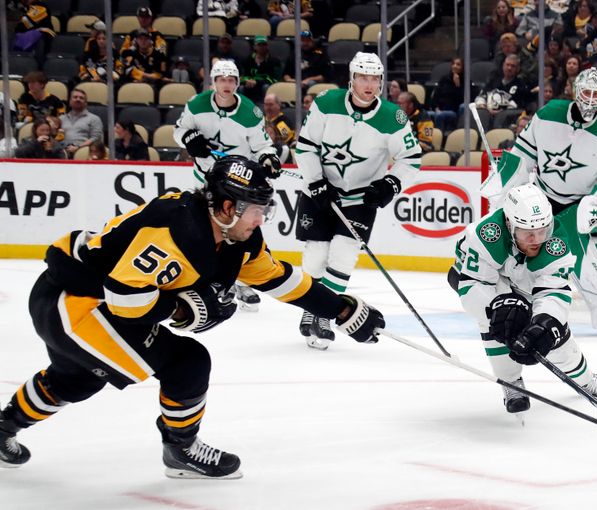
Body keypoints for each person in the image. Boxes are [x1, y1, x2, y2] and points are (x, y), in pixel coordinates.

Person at [0, 156, 385, 477]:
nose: (261, 219)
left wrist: (342, 308)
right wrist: (183, 309)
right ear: (227, 207)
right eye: (256, 210)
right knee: (187, 362)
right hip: (76, 304)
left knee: (77, 379)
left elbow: (277, 278)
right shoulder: (178, 230)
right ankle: (180, 449)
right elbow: (125, 301)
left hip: (73, 300)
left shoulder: (235, 237)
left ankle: (3, 427)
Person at [448, 183, 597, 414]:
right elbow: (472, 286)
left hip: (523, 278)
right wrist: (496, 308)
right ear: (509, 225)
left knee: (554, 334)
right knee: (498, 324)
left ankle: (587, 381)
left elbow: (553, 290)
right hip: (487, 281)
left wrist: (546, 322)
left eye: (542, 230)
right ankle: (511, 383)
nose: (536, 239)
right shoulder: (488, 234)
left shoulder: (555, 238)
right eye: (527, 233)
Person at [490, 67, 597, 335]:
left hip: (580, 205)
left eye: (596, 93)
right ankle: (515, 302)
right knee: (522, 249)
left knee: (581, 256)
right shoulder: (548, 114)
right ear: (575, 91)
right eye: (586, 92)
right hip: (542, 197)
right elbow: (523, 155)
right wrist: (503, 188)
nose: (591, 99)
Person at [294, 52, 422, 350]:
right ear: (351, 79)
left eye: (375, 78)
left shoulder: (393, 117)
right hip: (320, 191)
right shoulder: (326, 103)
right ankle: (308, 309)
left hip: (360, 198)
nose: (369, 84)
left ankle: (323, 315)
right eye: (363, 78)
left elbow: (411, 159)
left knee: (343, 254)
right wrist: (316, 182)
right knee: (316, 254)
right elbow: (306, 146)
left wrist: (391, 183)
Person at [174, 59, 282, 311]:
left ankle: (242, 281)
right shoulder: (196, 104)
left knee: (239, 232)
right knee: (206, 231)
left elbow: (262, 145)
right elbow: (178, 131)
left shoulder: (249, 112)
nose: (226, 85)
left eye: (231, 80)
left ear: (237, 83)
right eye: (222, 80)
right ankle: (211, 281)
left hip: (237, 183)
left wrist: (268, 157)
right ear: (213, 82)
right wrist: (189, 138)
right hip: (205, 179)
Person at [60, 89, 104, 159]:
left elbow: (96, 138)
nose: (78, 99)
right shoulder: (61, 118)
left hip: (84, 151)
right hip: (63, 151)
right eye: (75, 97)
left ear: (86, 103)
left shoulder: (94, 118)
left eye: (81, 98)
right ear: (70, 102)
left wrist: (78, 147)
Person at [240, 36, 284, 102]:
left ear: (267, 46)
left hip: (263, 87)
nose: (262, 47)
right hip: (249, 86)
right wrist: (246, 81)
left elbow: (275, 80)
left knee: (266, 87)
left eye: (264, 44)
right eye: (259, 45)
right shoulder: (247, 60)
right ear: (254, 46)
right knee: (240, 88)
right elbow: (241, 77)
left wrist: (257, 82)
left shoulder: (274, 62)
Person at [429, 57, 465, 133]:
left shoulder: (465, 81)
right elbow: (435, 96)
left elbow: (462, 101)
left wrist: (457, 86)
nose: (455, 66)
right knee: (426, 115)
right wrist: (436, 108)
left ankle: (438, 139)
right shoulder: (444, 79)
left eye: (458, 64)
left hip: (454, 112)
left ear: (462, 68)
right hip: (439, 110)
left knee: (441, 115)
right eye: (453, 64)